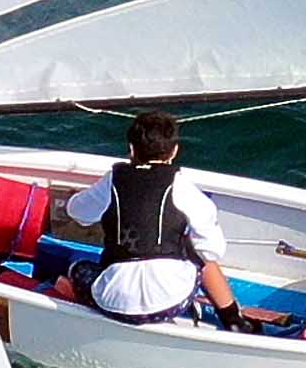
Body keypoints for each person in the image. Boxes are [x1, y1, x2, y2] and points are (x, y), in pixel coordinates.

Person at [55, 109, 254, 331]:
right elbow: (212, 252)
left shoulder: (112, 181)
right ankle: (234, 320)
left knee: (76, 268)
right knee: (197, 251)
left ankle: (69, 301)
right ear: (174, 151)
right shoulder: (186, 191)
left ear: (131, 148)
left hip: (115, 302)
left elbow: (77, 213)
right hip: (172, 302)